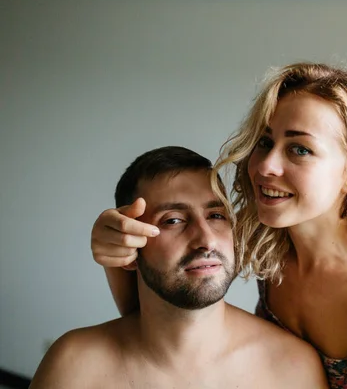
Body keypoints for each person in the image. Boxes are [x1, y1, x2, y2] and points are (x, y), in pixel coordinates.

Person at [91, 63, 347, 388]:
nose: (266, 165)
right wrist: (113, 247)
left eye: (299, 149)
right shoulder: (265, 235)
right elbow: (156, 315)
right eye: (265, 142)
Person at [31, 147, 328, 389]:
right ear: (129, 243)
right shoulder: (73, 366)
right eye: (173, 220)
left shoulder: (292, 367)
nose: (206, 239)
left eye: (216, 215)